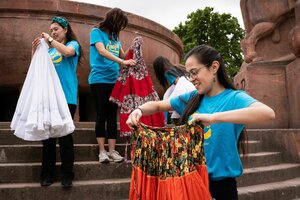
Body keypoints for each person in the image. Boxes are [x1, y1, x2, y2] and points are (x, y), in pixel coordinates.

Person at [127, 45, 275, 199]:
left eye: (195, 72)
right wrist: (139, 110)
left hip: (221, 186)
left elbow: (268, 113)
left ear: (214, 67)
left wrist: (213, 118)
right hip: (190, 181)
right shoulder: (192, 98)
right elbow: (158, 105)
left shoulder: (234, 98)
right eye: (189, 74)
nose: (192, 79)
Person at [32, 16, 81, 187]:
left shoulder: (72, 45)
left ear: (65, 30)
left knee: (65, 138)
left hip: (66, 96)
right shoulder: (49, 49)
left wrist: (50, 39)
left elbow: (68, 53)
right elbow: (38, 69)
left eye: (56, 29)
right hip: (49, 98)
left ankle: (67, 175)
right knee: (48, 139)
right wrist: (35, 51)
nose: (53, 32)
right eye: (51, 30)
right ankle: (47, 174)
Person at [88, 8, 136, 163]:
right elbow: (102, 51)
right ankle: (102, 151)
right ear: (114, 20)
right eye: (121, 24)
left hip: (113, 80)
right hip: (99, 80)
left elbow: (122, 55)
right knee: (101, 114)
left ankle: (112, 150)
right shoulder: (96, 32)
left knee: (111, 116)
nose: (121, 27)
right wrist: (122, 62)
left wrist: (133, 46)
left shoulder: (115, 37)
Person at [153, 56, 195, 124]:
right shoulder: (178, 67)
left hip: (182, 88)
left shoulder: (168, 72)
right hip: (191, 87)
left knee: (175, 111)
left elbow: (177, 81)